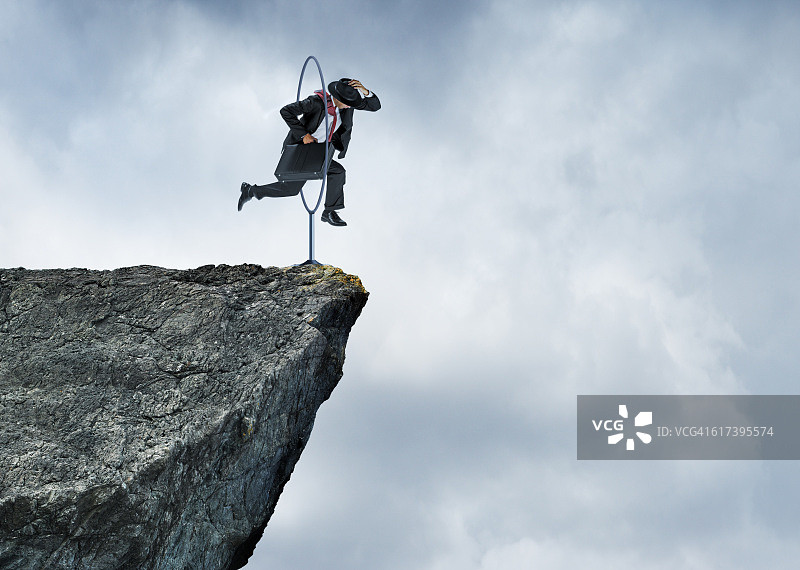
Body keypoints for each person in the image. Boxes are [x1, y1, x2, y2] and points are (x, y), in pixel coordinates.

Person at [238, 78, 380, 226]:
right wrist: (303, 135)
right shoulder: (315, 103)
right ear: (337, 97)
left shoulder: (347, 105)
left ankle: (329, 212)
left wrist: (365, 91)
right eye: (346, 103)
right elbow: (286, 111)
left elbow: (375, 106)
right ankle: (251, 191)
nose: (349, 107)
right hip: (303, 149)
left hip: (319, 152)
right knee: (291, 189)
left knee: (337, 172)